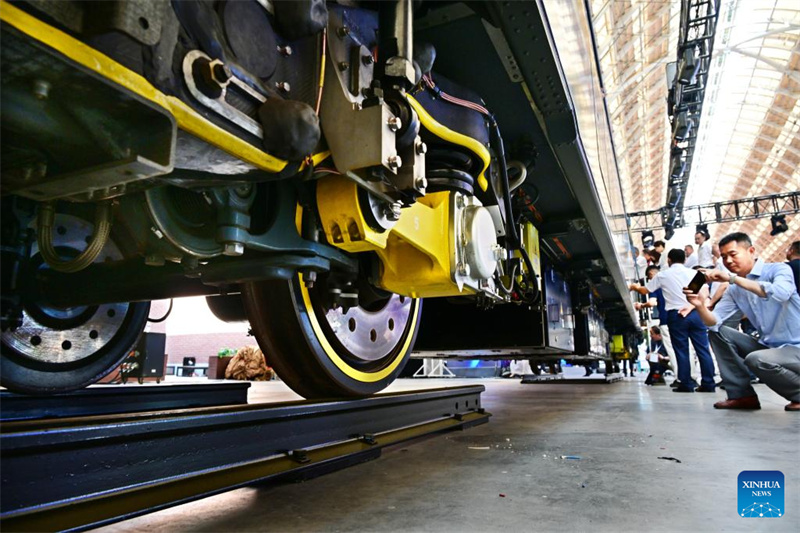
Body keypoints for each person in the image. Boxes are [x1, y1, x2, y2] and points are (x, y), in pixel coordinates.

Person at [684, 232, 800, 411]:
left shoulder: (778, 270)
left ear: (751, 251)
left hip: (796, 348)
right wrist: (700, 306)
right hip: (771, 348)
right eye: (723, 257)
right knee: (718, 332)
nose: (728, 261)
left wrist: (732, 279)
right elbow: (714, 322)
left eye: (733, 254)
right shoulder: (734, 289)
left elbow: (780, 293)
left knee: (758, 359)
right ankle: (742, 395)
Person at [644, 249, 716, 392]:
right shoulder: (695, 274)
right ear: (684, 260)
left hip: (676, 316)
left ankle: (686, 383)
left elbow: (646, 290)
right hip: (696, 313)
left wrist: (633, 287)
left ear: (669, 260)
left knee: (681, 350)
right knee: (703, 349)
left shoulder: (663, 275)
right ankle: (708, 383)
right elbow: (703, 294)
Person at [631, 265, 678, 382]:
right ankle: (661, 378)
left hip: (666, 319)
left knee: (670, 352)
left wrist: (641, 305)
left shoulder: (656, 284)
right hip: (678, 318)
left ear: (652, 274)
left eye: (649, 277)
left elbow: (652, 302)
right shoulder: (671, 282)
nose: (650, 280)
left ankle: (678, 377)